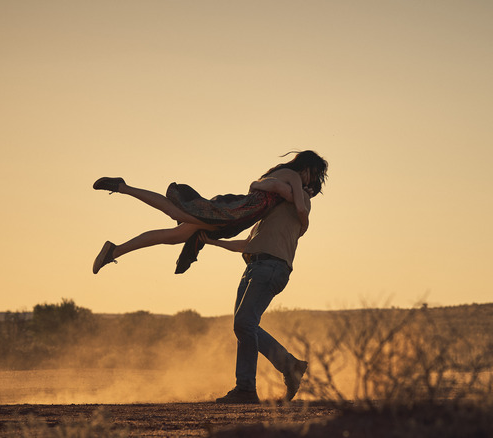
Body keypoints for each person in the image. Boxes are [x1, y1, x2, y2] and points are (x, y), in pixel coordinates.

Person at [202, 153, 328, 404]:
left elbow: (281, 188)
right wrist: (212, 242)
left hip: (271, 267)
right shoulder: (271, 215)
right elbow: (246, 244)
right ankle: (276, 371)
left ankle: (253, 384)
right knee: (244, 326)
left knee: (245, 323)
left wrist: (256, 184)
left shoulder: (300, 197)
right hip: (255, 265)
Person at [92, 151, 327, 275]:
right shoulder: (294, 176)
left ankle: (115, 250)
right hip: (234, 211)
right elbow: (296, 205)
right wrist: (303, 222)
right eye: (313, 175)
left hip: (236, 215)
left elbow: (264, 185)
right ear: (307, 167)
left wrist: (260, 186)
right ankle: (122, 187)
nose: (310, 182)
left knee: (173, 236)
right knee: (177, 213)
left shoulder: (282, 175)